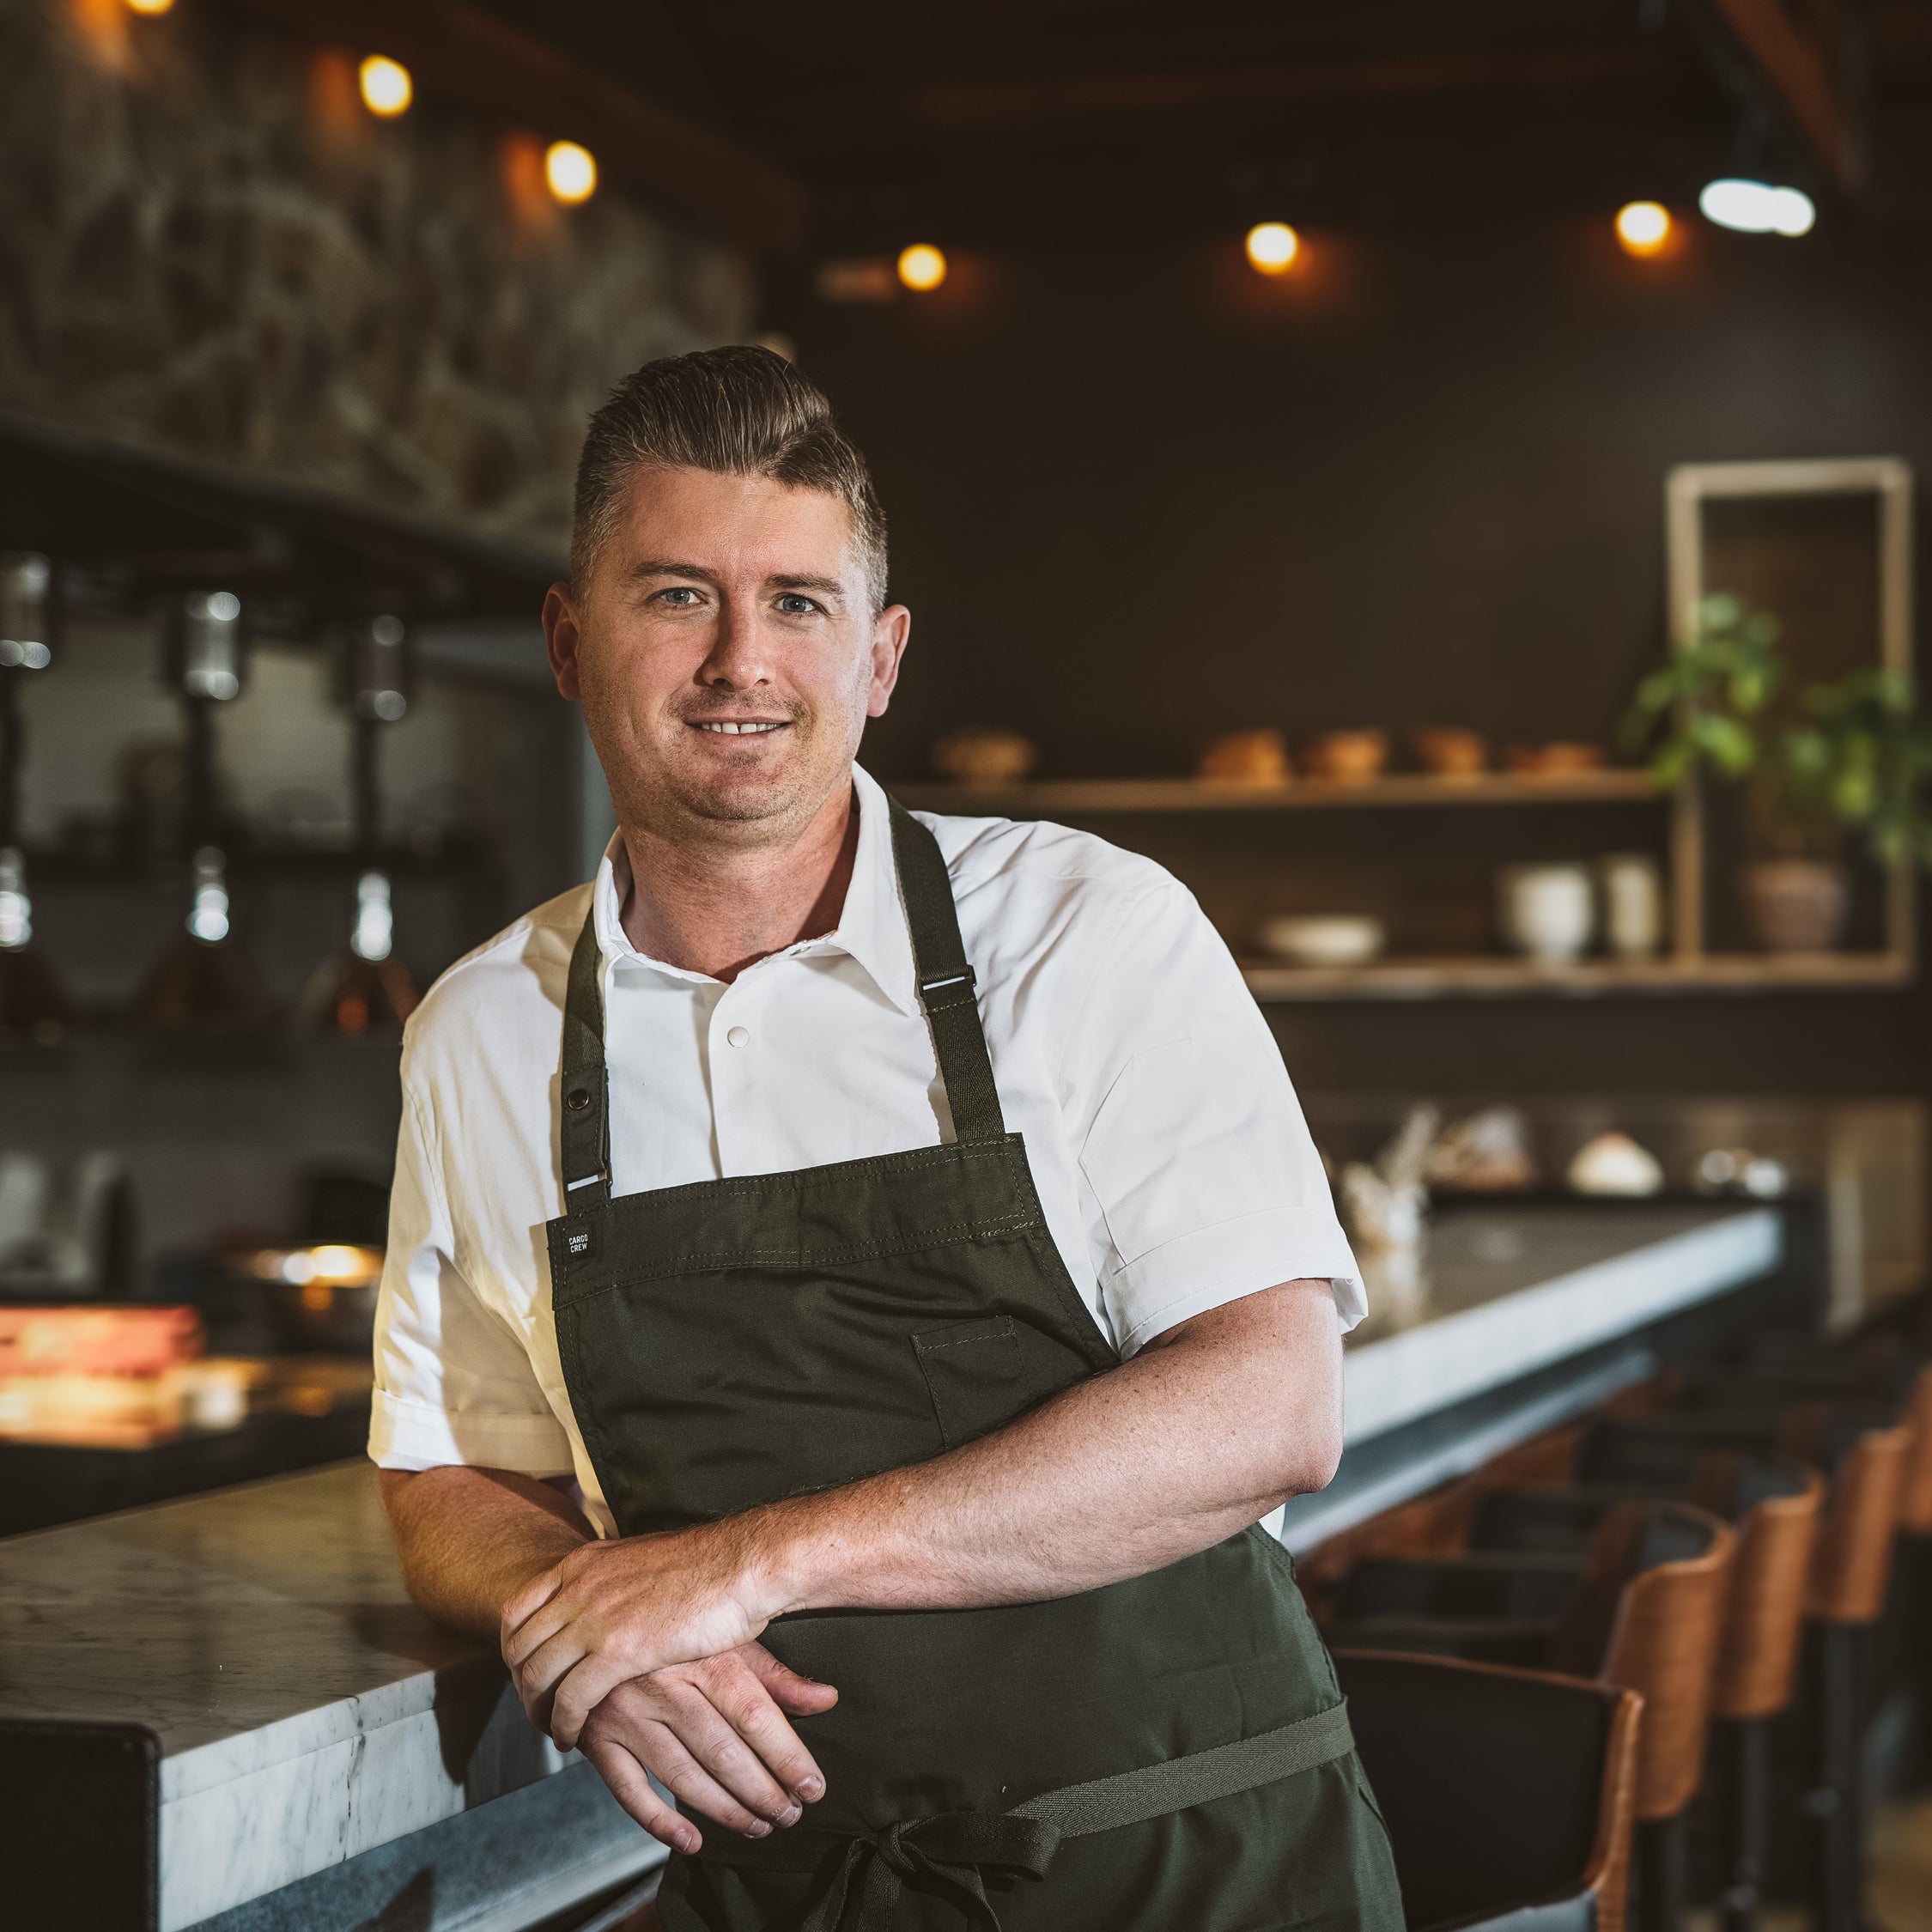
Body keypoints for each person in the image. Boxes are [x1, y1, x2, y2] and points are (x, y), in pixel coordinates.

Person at [371, 346, 1401, 1932]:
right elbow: (451, 1463)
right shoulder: (483, 1031)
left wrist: (746, 1563)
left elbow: (1272, 1403)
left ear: (882, 655)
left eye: (796, 602)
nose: (739, 662)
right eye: (673, 596)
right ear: (568, 644)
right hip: (788, 1900)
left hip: (1188, 1868)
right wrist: (575, 1618)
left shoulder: (1082, 931)